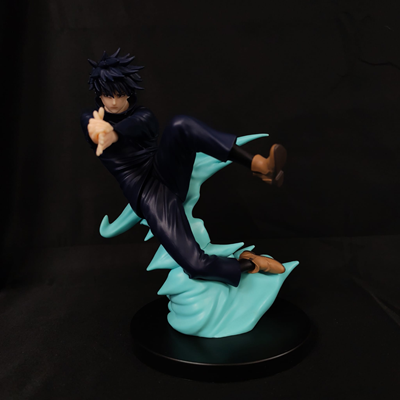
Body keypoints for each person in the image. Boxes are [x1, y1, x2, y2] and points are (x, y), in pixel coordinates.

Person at [81, 49, 288, 287]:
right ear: (99, 94)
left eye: (120, 94)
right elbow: (92, 128)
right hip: (147, 194)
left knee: (180, 124)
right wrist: (99, 132)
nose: (114, 102)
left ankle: (260, 165)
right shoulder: (91, 117)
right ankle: (251, 263)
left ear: (129, 91)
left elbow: (137, 125)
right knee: (196, 265)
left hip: (166, 171)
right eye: (107, 95)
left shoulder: (143, 115)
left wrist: (114, 133)